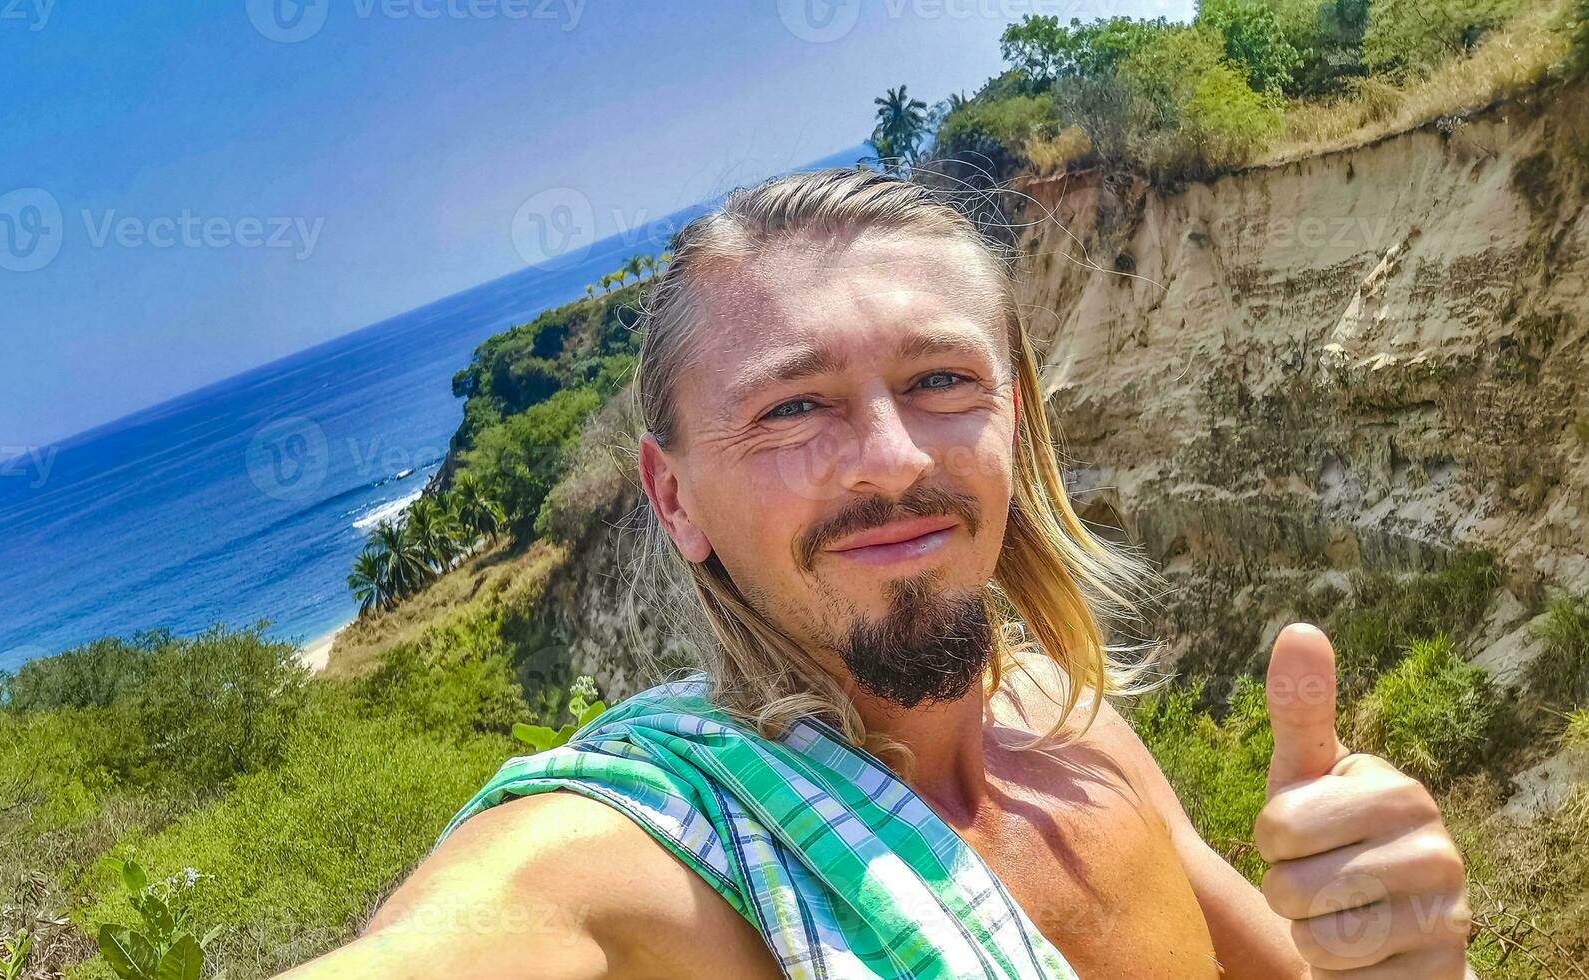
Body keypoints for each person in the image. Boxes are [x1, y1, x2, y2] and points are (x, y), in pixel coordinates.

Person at [278, 168, 1473, 978]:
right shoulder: (622, 857)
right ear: (673, 496)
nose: (891, 461)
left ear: (1017, 419)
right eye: (793, 405)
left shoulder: (1083, 744)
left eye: (941, 380)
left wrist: (1399, 946)